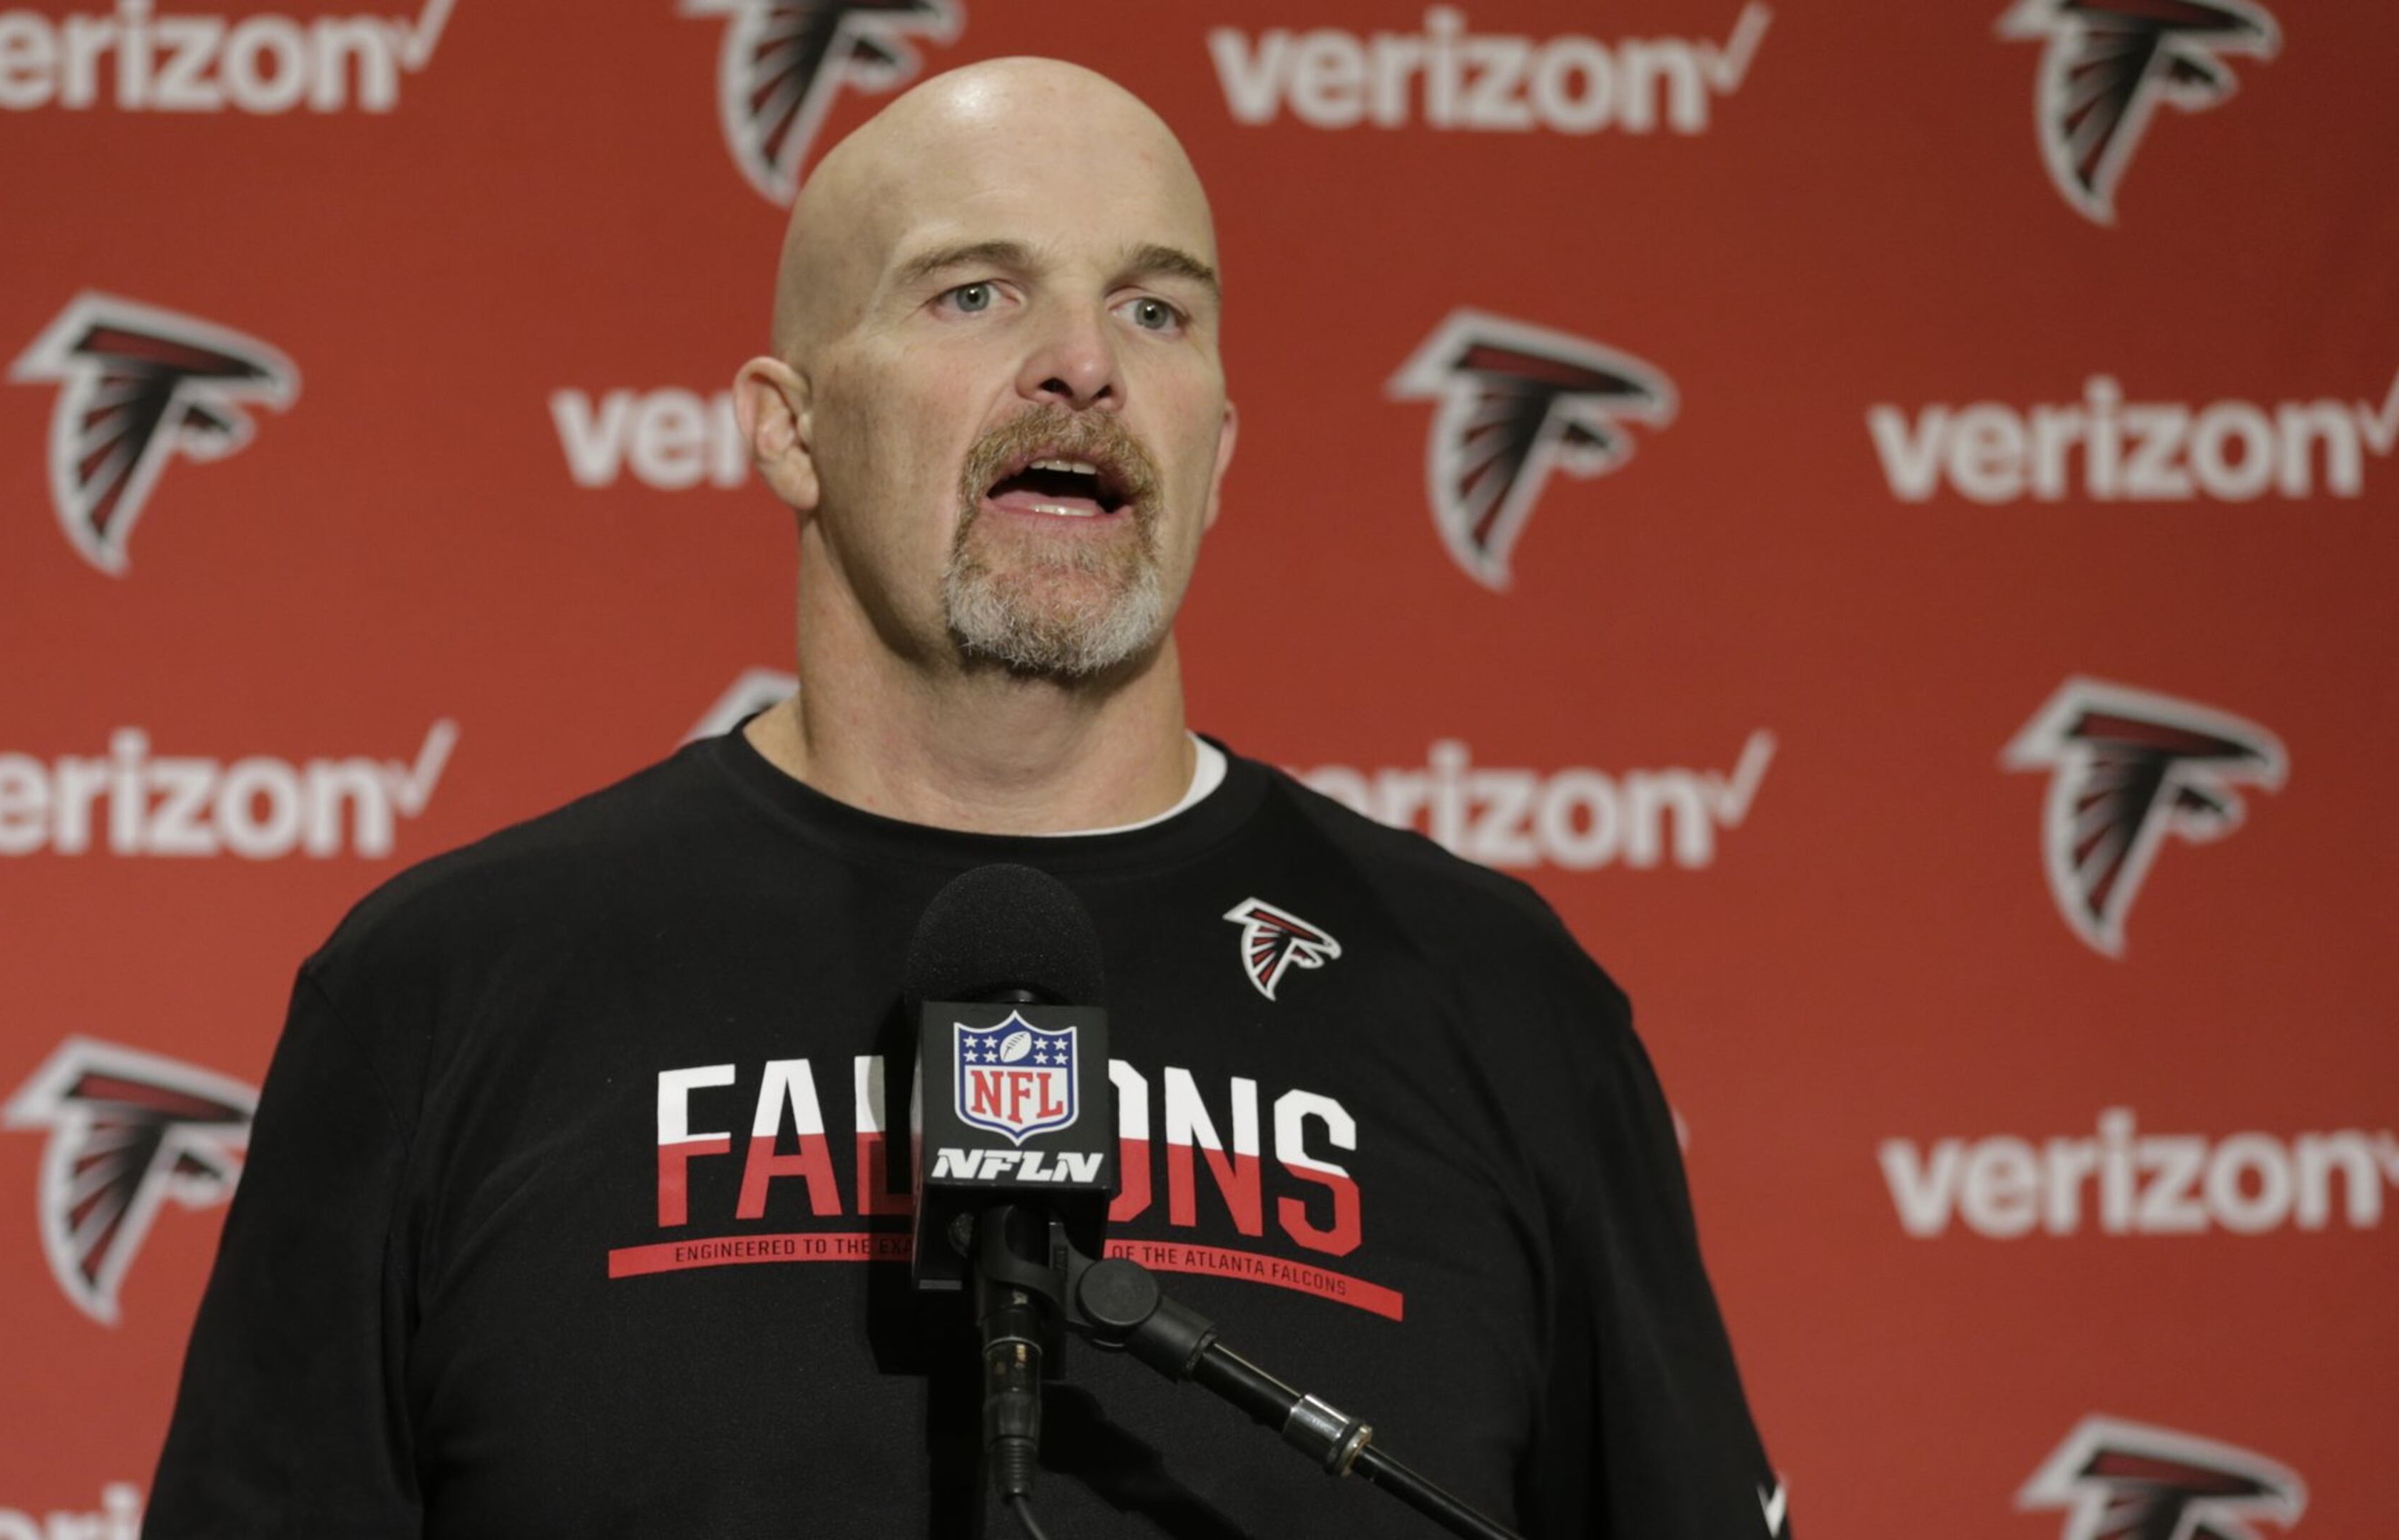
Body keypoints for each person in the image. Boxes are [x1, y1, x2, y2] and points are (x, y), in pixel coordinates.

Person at [145, 57, 1786, 1540]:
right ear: (789, 430)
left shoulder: (1500, 1003)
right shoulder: (447, 989)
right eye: (976, 295)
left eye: (1155, 312)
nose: (1079, 365)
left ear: (1218, 447)